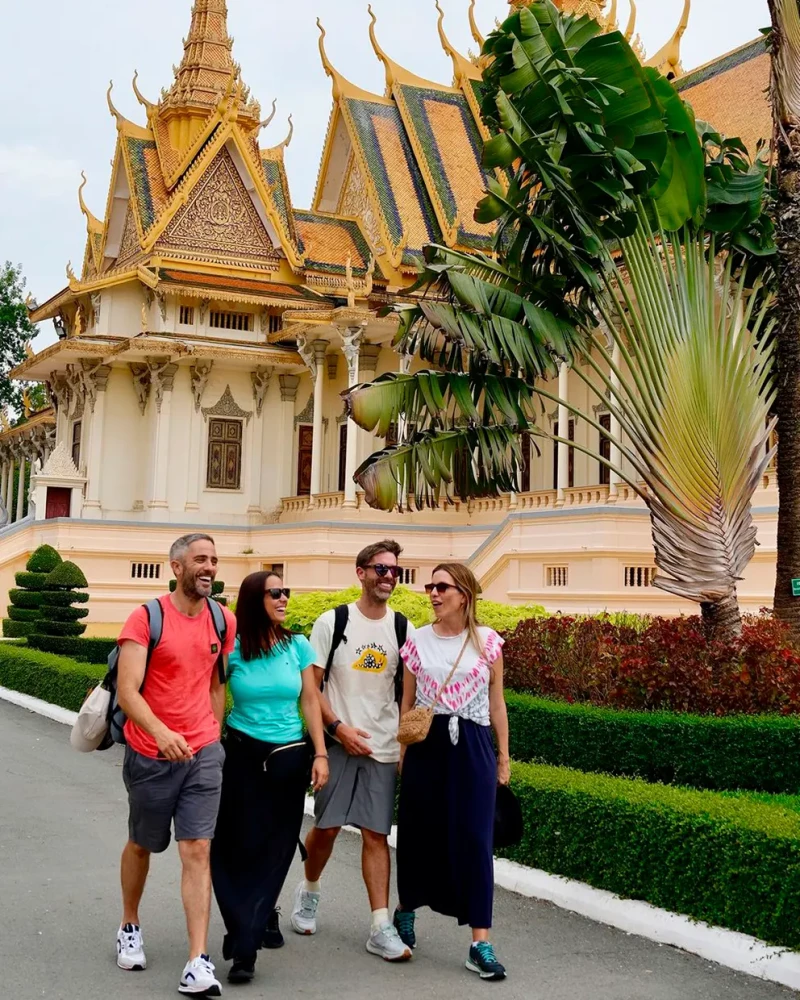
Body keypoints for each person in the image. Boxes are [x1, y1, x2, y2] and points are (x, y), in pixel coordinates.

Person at [115, 533, 236, 997]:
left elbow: (215, 683)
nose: (208, 567)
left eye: (213, 560)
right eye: (199, 560)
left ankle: (197, 960)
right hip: (149, 752)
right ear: (176, 567)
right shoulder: (146, 618)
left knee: (197, 850)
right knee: (143, 845)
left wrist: (213, 733)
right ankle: (129, 923)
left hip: (202, 753)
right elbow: (128, 691)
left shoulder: (223, 620)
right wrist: (162, 734)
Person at [290, 540, 413, 962]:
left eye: (395, 571)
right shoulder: (333, 621)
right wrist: (337, 731)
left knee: (377, 835)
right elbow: (312, 688)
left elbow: (410, 695)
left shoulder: (402, 628)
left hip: (382, 747)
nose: (388, 577)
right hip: (340, 743)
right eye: (381, 569)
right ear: (360, 572)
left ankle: (380, 926)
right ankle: (308, 891)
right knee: (326, 827)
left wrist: (404, 745)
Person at [393, 563, 511, 982]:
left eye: (441, 587)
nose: (433, 593)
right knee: (417, 830)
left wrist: (503, 755)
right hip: (427, 744)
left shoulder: (489, 642)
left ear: (464, 594)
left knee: (476, 840)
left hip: (474, 745)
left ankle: (480, 942)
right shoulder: (416, 641)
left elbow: (497, 704)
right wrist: (403, 752)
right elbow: (407, 703)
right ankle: (406, 910)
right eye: (430, 587)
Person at [211, 572, 329, 984]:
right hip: (240, 756)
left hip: (287, 759)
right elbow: (212, 696)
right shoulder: (234, 648)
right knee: (230, 848)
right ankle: (242, 924)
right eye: (274, 593)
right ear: (253, 599)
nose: (283, 598)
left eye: (286, 591)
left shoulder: (297, 645)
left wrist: (320, 752)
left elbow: (310, 699)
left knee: (275, 849)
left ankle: (246, 942)